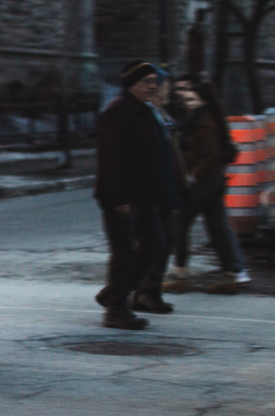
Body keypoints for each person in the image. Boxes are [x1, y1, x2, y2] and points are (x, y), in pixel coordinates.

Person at [93, 62, 170, 329]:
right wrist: (119, 198)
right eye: (147, 81)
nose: (153, 85)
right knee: (124, 253)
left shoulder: (145, 111)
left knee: (155, 247)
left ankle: (114, 293)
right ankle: (116, 309)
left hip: (145, 197)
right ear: (132, 83)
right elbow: (109, 160)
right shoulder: (117, 112)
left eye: (155, 81)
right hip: (123, 198)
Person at [164, 81, 249, 294]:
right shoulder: (198, 119)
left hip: (206, 181)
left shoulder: (204, 122)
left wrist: (192, 176)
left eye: (192, 99)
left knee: (179, 220)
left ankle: (179, 274)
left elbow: (212, 156)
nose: (188, 103)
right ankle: (230, 275)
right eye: (186, 99)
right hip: (212, 180)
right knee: (217, 227)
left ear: (204, 100)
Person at [133, 71, 185, 314]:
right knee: (156, 242)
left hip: (165, 189)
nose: (169, 91)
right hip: (152, 191)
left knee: (163, 240)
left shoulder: (162, 115)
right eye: (166, 87)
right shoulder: (145, 115)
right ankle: (140, 292)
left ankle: (145, 292)